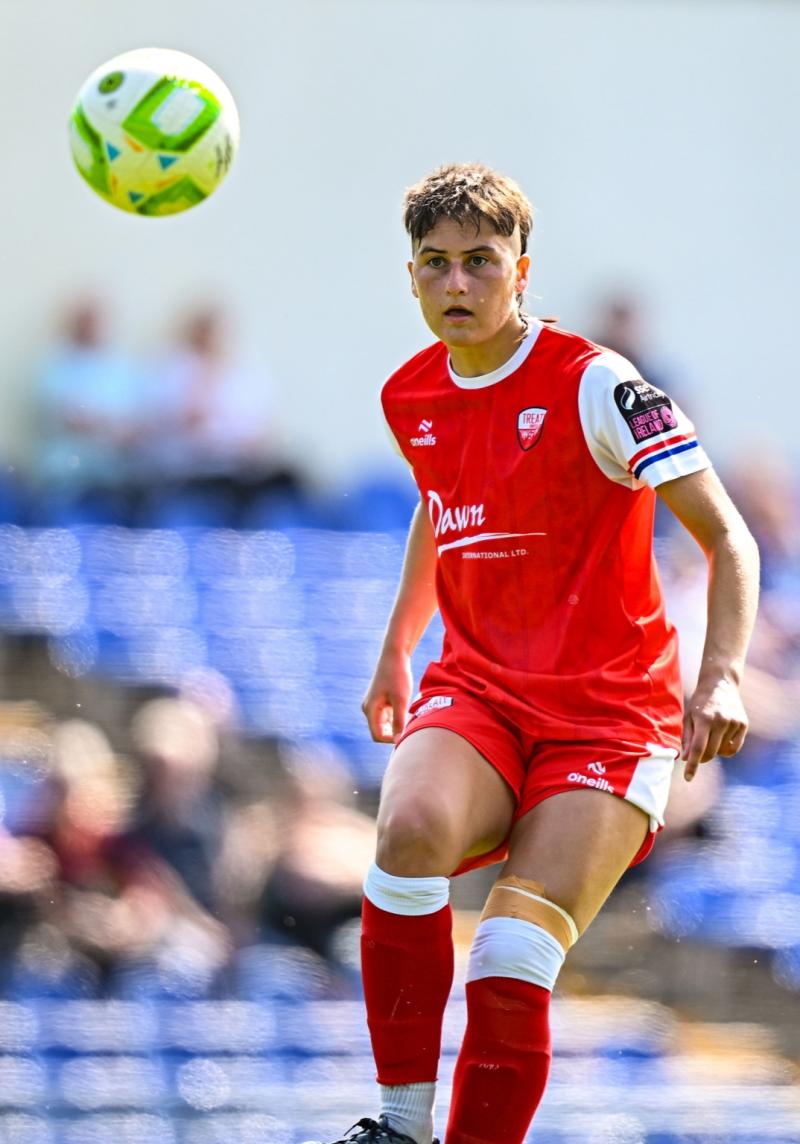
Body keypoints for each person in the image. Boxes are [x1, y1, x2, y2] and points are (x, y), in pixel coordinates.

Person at [321, 164, 760, 1144]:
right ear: (411, 278)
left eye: (479, 262)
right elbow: (441, 510)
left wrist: (719, 671)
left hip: (609, 717)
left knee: (509, 952)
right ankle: (396, 1124)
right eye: (435, 264)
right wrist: (397, 647)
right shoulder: (409, 394)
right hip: (477, 687)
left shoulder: (597, 383)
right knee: (405, 833)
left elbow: (727, 536)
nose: (457, 284)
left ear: (521, 269)